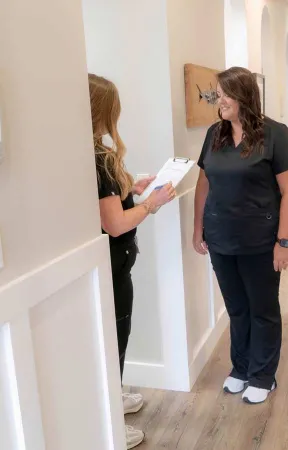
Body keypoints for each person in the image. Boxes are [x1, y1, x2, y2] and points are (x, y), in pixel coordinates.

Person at [193, 67, 288, 405]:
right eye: (217, 93)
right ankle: (240, 369)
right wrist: (198, 228)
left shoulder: (275, 135)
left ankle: (263, 375)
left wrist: (283, 241)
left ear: (244, 96)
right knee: (237, 308)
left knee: (262, 309)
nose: (219, 100)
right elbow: (204, 182)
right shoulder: (215, 134)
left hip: (259, 240)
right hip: (221, 238)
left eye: (225, 93)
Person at [88, 74, 176, 448]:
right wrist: (149, 205)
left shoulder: (87, 155)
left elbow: (105, 204)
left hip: (107, 266)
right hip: (111, 266)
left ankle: (113, 394)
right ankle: (110, 419)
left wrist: (132, 189)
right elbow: (115, 223)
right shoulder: (98, 159)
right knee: (115, 338)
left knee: (110, 336)